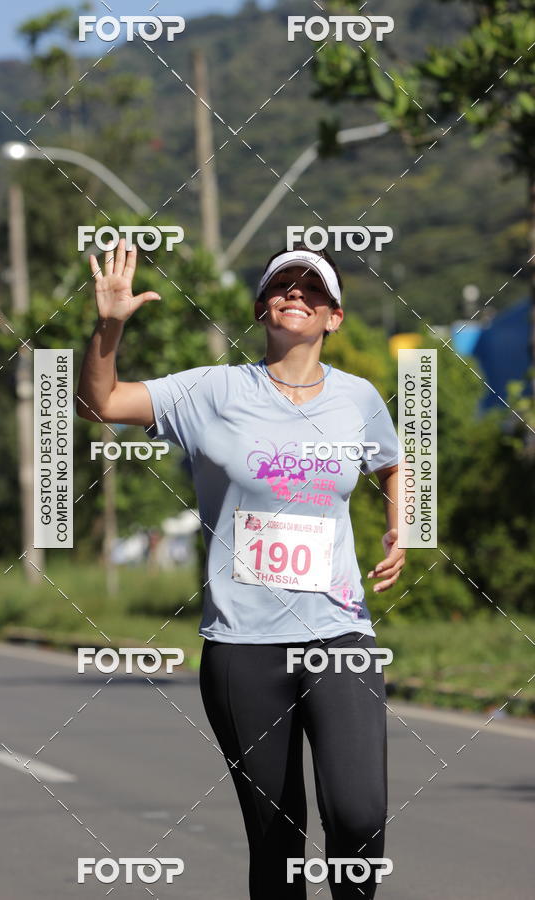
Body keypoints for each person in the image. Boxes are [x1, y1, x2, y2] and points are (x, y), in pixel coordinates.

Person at [76, 238, 405, 899]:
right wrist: (109, 326)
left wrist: (406, 527)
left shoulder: (358, 398)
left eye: (312, 289)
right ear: (261, 309)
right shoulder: (212, 390)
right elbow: (100, 405)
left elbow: (394, 460)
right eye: (281, 287)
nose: (295, 295)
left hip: (339, 634)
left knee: (359, 817)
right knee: (278, 843)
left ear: (333, 316)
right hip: (243, 647)